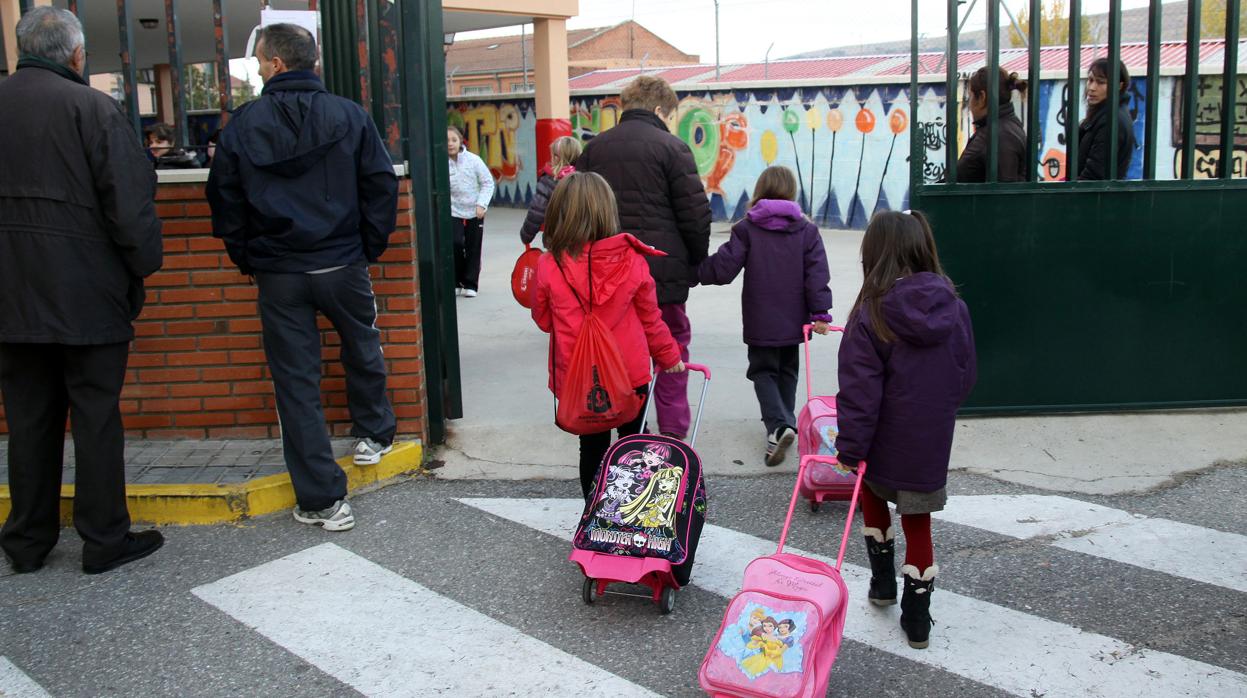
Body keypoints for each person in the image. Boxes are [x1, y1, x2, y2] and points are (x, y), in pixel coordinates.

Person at [206, 23, 398, 532]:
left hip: (280, 271)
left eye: (259, 61)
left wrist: (248, 256)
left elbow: (224, 200)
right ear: (311, 60)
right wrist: (366, 247)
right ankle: (375, 433)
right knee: (362, 343)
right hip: (341, 261)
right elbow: (380, 185)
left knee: (295, 382)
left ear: (274, 64)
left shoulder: (243, 124)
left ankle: (321, 500)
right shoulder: (350, 115)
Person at [0, 7, 165, 574]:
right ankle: (103, 539)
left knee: (27, 420)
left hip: (10, 299)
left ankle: (26, 540)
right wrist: (141, 269)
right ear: (76, 55)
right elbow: (130, 206)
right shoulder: (92, 109)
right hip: (86, 294)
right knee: (95, 417)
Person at [834, 210, 976, 650]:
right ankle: (918, 620)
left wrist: (850, 448)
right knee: (919, 523)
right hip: (929, 440)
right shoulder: (955, 308)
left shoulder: (871, 313)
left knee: (874, 500)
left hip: (880, 440)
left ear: (873, 254)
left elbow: (860, 392)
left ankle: (881, 585)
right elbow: (965, 374)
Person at [529, 172, 685, 501]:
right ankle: (632, 511)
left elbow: (544, 321)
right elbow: (650, 319)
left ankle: (595, 513)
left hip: (580, 377)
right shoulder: (632, 260)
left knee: (593, 447)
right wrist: (669, 356)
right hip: (630, 375)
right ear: (607, 212)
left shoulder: (548, 265)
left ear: (558, 214)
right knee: (633, 441)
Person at [576, 75, 711, 440]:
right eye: (669, 115)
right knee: (671, 350)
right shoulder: (673, 148)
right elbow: (695, 215)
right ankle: (673, 434)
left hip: (605, 274)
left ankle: (630, 429)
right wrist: (694, 262)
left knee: (617, 352)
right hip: (662, 275)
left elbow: (577, 210)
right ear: (657, 109)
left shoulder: (593, 149)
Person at [698, 166, 834, 466]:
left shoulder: (748, 228)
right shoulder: (807, 230)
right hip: (795, 321)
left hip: (761, 320)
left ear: (760, 190)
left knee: (762, 372)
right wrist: (821, 313)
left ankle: (779, 426)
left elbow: (723, 268)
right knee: (787, 372)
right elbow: (817, 274)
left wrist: (692, 270)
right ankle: (781, 426)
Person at [956, 67, 1029, 182]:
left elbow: (1003, 193)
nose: (969, 105)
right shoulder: (1003, 128)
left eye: (970, 96)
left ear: (982, 97)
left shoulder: (998, 136)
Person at [447, 124, 494, 297]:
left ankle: (470, 284)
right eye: (447, 141)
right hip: (453, 210)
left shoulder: (473, 160)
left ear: (460, 141)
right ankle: (456, 280)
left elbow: (487, 182)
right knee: (455, 243)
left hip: (475, 210)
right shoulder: (441, 162)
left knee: (473, 246)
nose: (450, 144)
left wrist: (482, 204)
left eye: (454, 140)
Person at [1078, 57, 1136, 180]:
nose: (1092, 87)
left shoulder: (1111, 121)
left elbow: (1094, 175)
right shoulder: (1104, 115)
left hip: (1095, 198)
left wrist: (1065, 196)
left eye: (1101, 82)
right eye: (1090, 80)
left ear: (1119, 86)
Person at [519, 136, 582, 245]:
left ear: (556, 158)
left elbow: (537, 211)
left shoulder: (549, 180)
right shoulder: (584, 178)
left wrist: (526, 235)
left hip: (556, 238)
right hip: (582, 237)